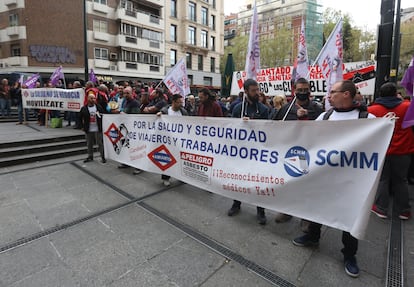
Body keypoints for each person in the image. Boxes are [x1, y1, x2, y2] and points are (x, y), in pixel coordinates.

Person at [292, 80, 375, 278]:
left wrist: (388, 125)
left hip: (352, 181)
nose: (329, 95)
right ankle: (313, 236)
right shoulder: (325, 116)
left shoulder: (367, 118)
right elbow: (311, 139)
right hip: (325, 176)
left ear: (346, 94)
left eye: (333, 92)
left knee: (349, 215)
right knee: (317, 207)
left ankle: (349, 255)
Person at [273, 78, 323, 227]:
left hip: (310, 153)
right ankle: (287, 211)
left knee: (308, 185)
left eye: (305, 90)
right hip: (290, 153)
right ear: (294, 91)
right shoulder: (286, 109)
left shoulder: (317, 109)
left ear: (310, 90)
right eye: (299, 90)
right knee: (290, 183)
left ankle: (306, 216)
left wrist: (307, 117)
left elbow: (325, 129)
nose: (302, 93)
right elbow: (274, 127)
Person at [368, 82, 414, 220]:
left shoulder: (372, 110)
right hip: (403, 151)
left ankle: (381, 208)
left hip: (382, 151)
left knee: (383, 180)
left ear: (380, 94)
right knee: (401, 180)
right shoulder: (407, 107)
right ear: (396, 94)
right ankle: (404, 211)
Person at [227, 79, 269, 225]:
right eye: (253, 90)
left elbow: (267, 131)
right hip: (241, 151)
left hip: (257, 153)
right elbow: (230, 128)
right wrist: (240, 124)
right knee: (238, 179)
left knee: (258, 181)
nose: (257, 93)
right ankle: (236, 204)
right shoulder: (237, 108)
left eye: (257, 90)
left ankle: (260, 210)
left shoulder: (263, 109)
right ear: (246, 92)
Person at [157, 94, 188, 186]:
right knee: (167, 159)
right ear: (173, 102)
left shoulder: (183, 112)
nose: (181, 104)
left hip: (179, 140)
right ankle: (166, 178)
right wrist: (160, 115)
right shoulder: (166, 111)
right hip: (168, 140)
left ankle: (180, 176)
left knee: (179, 159)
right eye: (179, 102)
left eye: (181, 102)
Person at [117, 86, 142, 174]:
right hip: (126, 129)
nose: (126, 95)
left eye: (128, 93)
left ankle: (139, 166)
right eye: (124, 93)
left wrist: (125, 114)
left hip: (134, 130)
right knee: (127, 147)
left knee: (136, 149)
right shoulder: (125, 102)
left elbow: (136, 117)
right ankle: (127, 163)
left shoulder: (135, 103)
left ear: (132, 93)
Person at [80, 93, 106, 163]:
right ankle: (90, 156)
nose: (93, 100)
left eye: (94, 98)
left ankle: (103, 156)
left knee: (100, 143)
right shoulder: (84, 108)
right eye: (91, 98)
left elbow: (103, 116)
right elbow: (80, 118)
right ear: (88, 99)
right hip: (88, 129)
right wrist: (82, 126)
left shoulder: (98, 107)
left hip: (98, 128)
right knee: (89, 143)